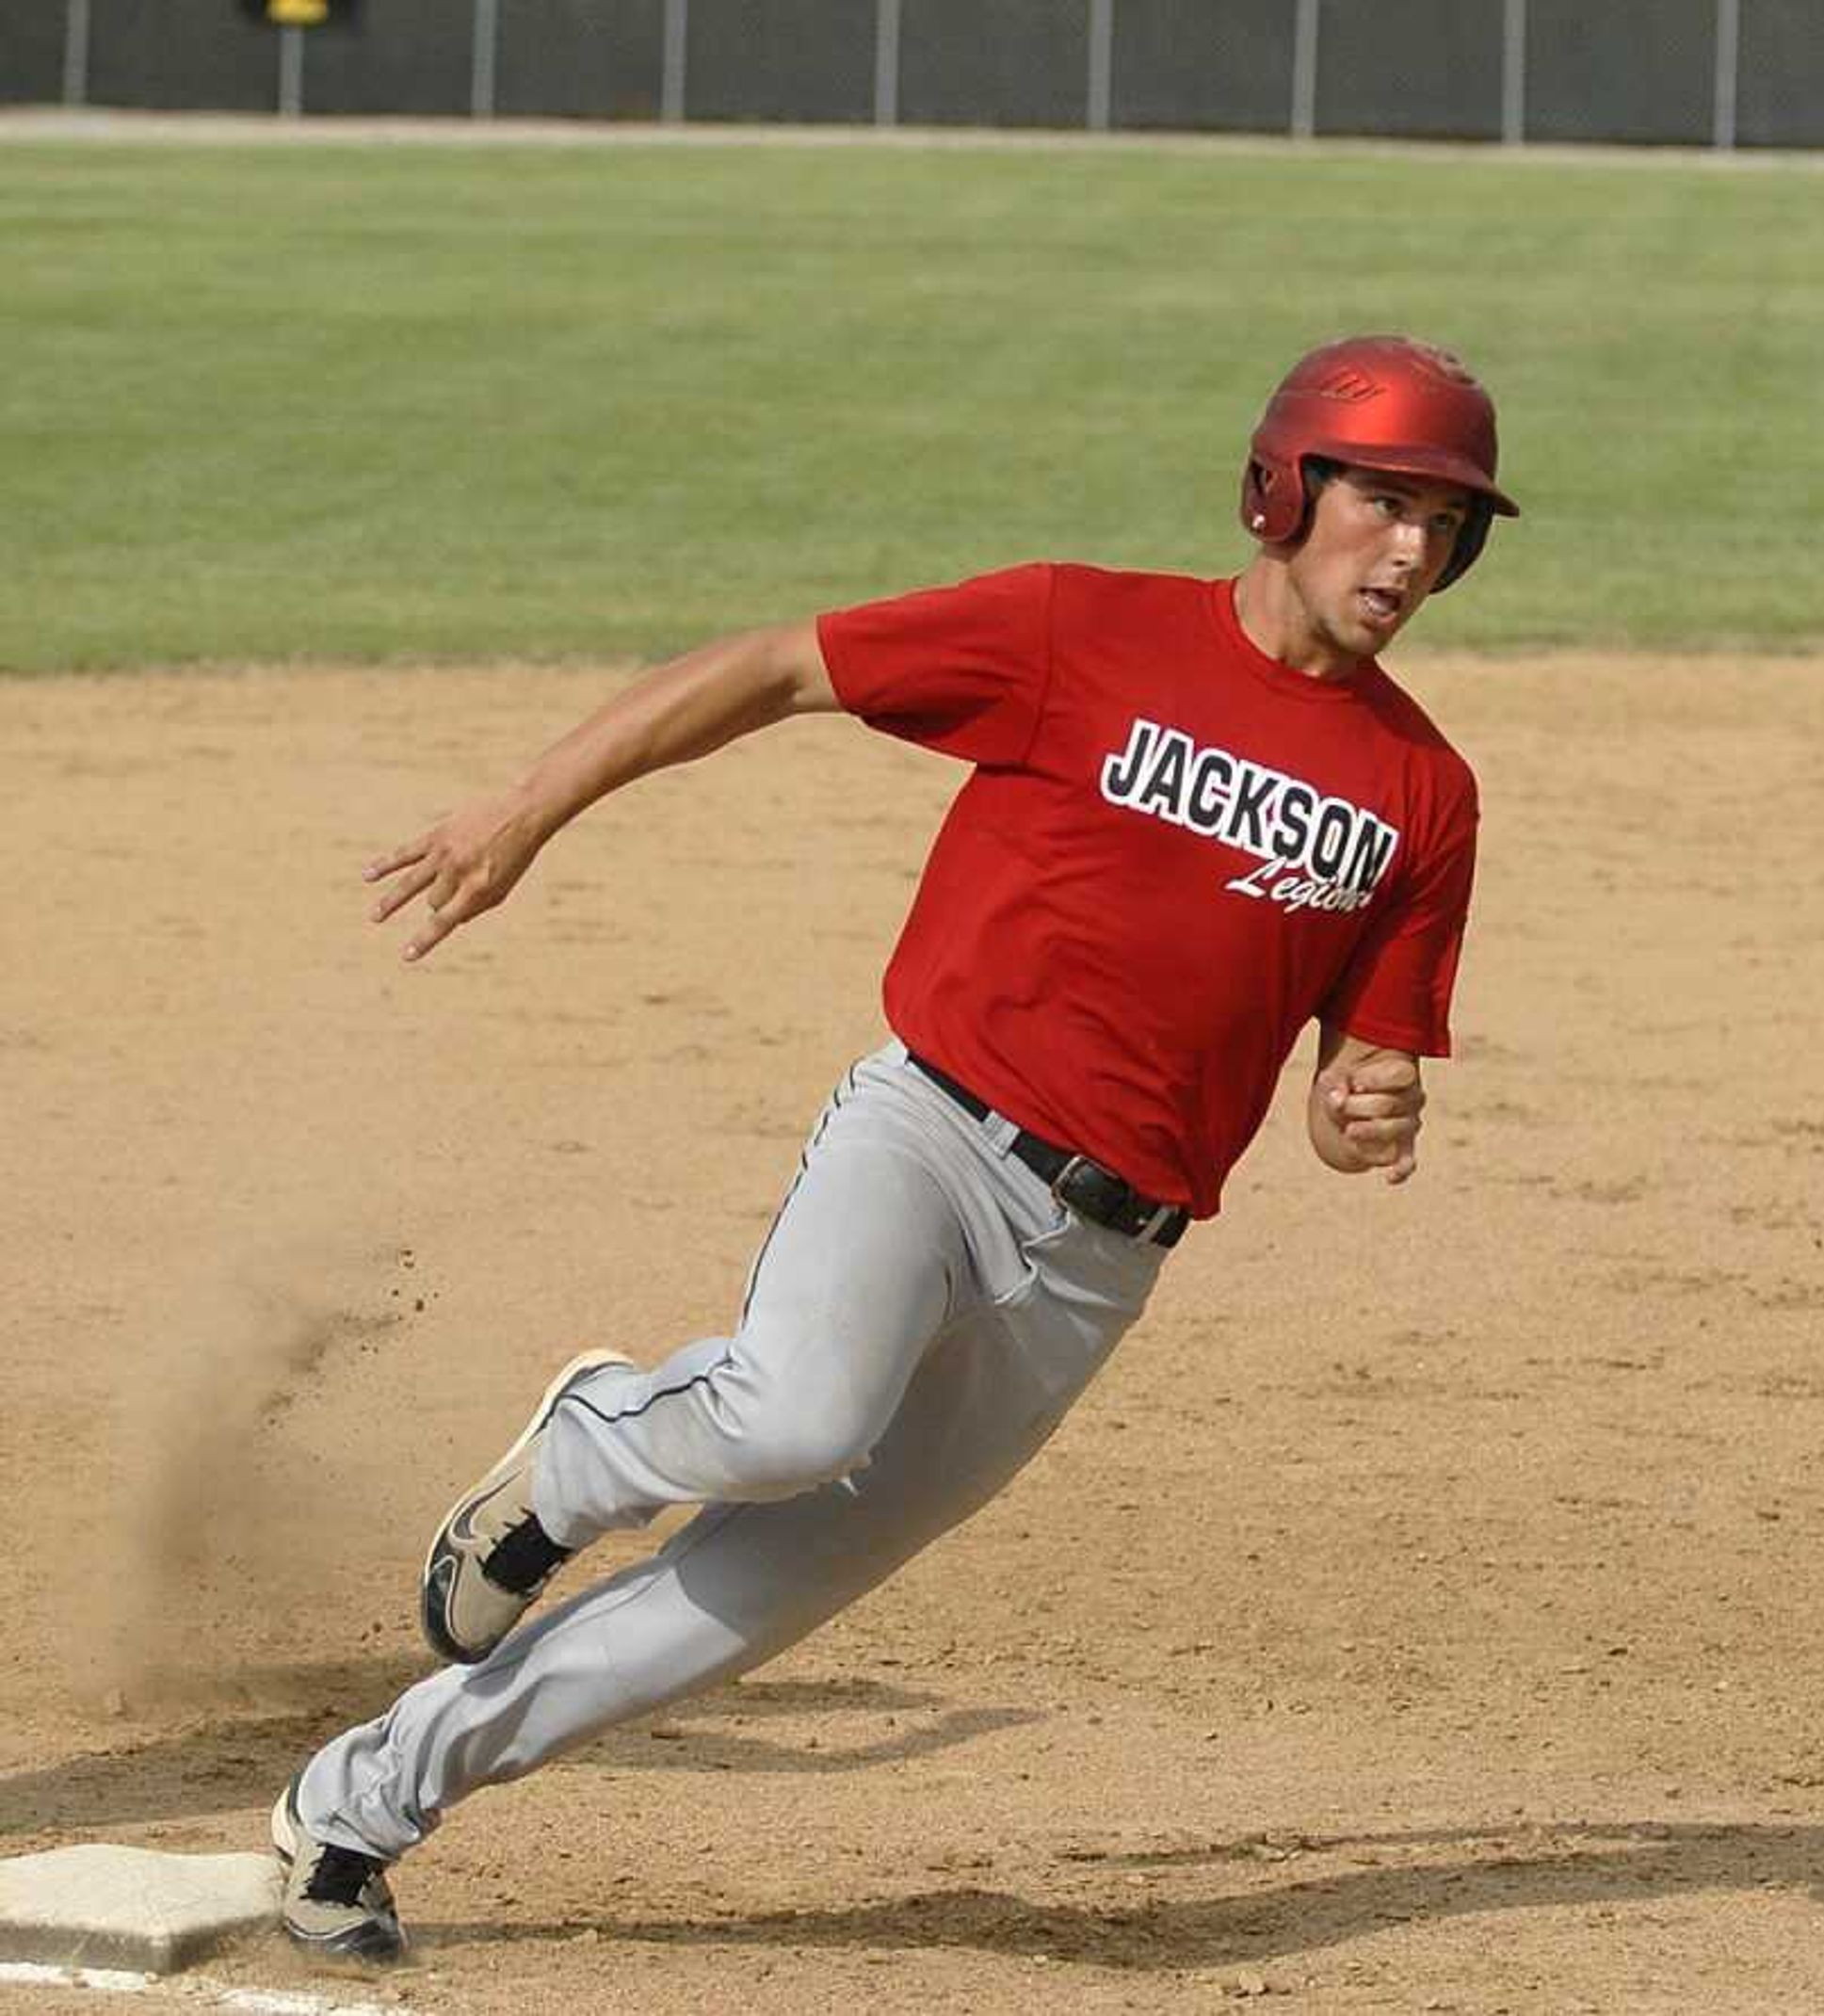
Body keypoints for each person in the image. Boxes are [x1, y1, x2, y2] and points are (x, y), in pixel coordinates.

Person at [262, 333, 1512, 1959]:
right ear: (1288, 486)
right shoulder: (1084, 629)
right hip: (932, 1138)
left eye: (1448, 522)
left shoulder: (1424, 792)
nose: (1413, 551)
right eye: (1388, 502)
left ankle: (359, 1802)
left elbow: (1359, 1080)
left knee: (750, 1601)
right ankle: (586, 1449)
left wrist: (1367, 1111)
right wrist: (529, 808)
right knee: (797, 1409)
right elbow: (782, 667)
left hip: (1104, 1263)